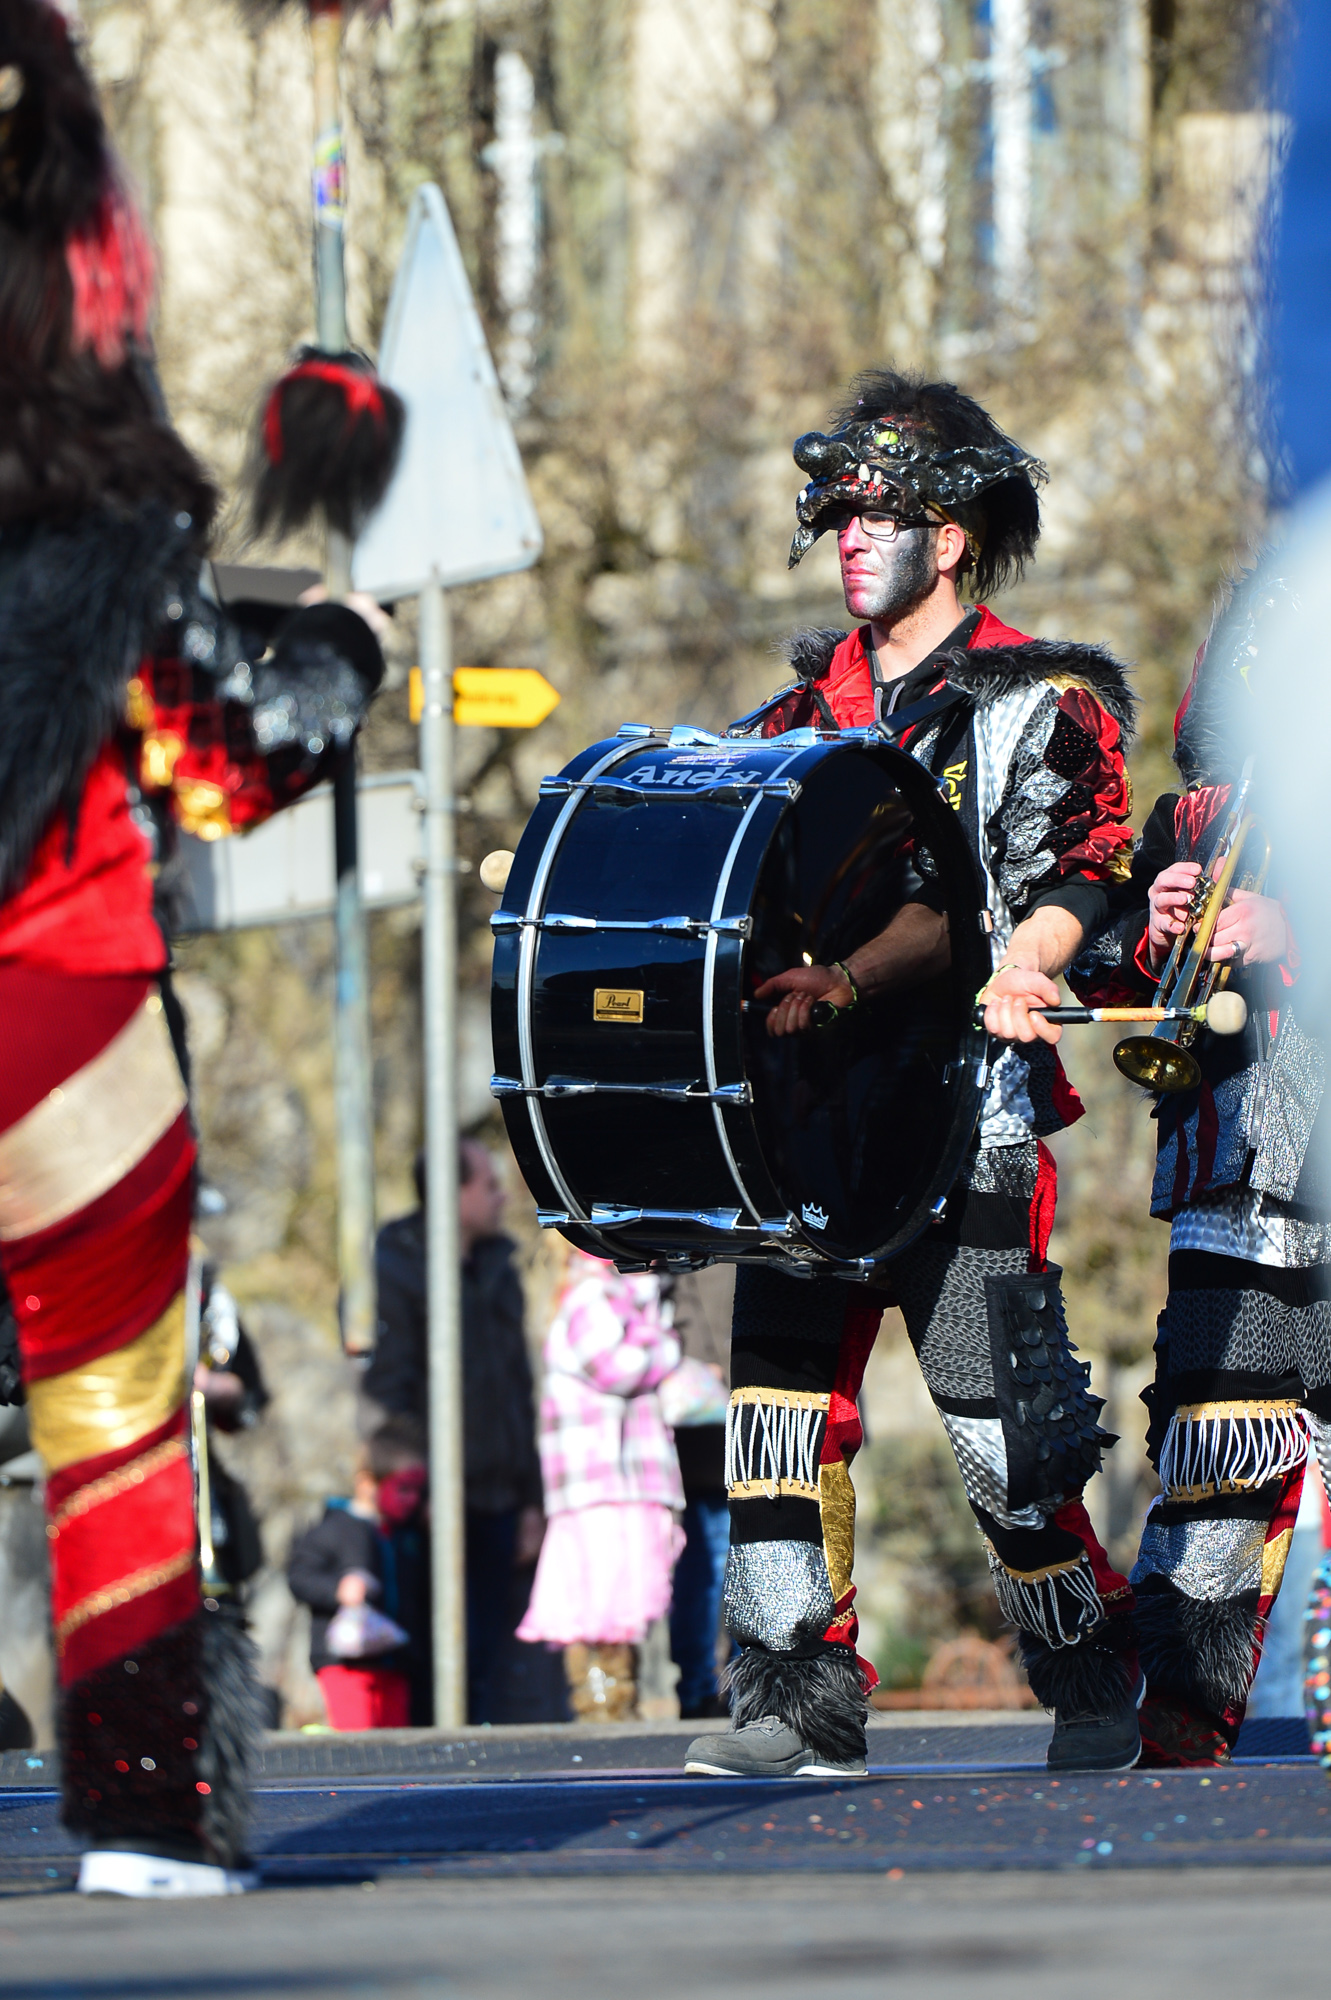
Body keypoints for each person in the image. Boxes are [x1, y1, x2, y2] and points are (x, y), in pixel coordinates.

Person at [0, 0, 386, 1894]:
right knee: (111, 1415)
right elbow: (222, 767)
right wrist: (345, 653)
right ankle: (149, 1810)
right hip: (62, 1012)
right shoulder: (114, 512)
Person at [685, 368, 1139, 1782]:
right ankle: (795, 1700)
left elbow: (1084, 869)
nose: (849, 538)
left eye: (877, 515)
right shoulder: (782, 721)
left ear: (947, 538)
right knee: (774, 1418)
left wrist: (1033, 957)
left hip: (967, 1121)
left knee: (1008, 1443)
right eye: (838, 515)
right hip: (803, 1133)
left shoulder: (1040, 703)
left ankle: (1090, 1668)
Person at [1073, 572, 1331, 1766]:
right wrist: (1147, 925)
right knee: (1208, 1447)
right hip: (1229, 1160)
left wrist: (1292, 932)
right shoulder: (1192, 815)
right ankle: (1182, 1707)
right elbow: (1102, 966)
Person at [361, 1142, 544, 1723]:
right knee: (430, 1662)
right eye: (489, 1185)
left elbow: (519, 1391)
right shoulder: (396, 1263)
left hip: (498, 1497)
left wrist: (532, 1500)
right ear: (454, 1193)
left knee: (485, 1663)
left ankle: (479, 1771)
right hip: (432, 1505)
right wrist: (421, 1485)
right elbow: (387, 1390)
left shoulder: (499, 1266)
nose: (502, 1197)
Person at [517, 1248, 684, 1720]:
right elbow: (616, 1367)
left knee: (620, 1602)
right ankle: (601, 1707)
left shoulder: (626, 1299)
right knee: (601, 1602)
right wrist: (669, 1347)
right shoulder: (594, 1295)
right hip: (600, 1478)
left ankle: (616, 1702)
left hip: (621, 1478)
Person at [287, 1417, 430, 1731]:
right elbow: (299, 1576)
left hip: (396, 1662)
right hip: (347, 1664)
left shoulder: (406, 1536)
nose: (413, 1499)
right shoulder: (334, 1529)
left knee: (397, 1744)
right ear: (366, 1483)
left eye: (418, 1491)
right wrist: (337, 1589)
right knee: (357, 1741)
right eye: (403, 1489)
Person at [663, 1267, 734, 1719]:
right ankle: (699, 1687)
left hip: (763, 1416)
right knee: (707, 1563)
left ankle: (746, 1684)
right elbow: (676, 1289)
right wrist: (696, 1362)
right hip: (708, 1423)